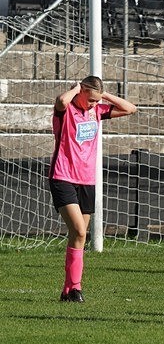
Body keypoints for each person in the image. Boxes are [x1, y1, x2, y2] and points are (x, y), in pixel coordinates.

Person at [50, 77, 137, 302]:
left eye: (95, 101)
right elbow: (60, 100)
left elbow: (130, 109)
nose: (92, 104)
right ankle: (73, 288)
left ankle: (70, 290)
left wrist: (103, 96)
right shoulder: (66, 109)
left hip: (87, 180)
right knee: (78, 231)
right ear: (80, 92)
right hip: (63, 177)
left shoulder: (96, 111)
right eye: (89, 100)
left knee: (79, 237)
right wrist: (78, 89)